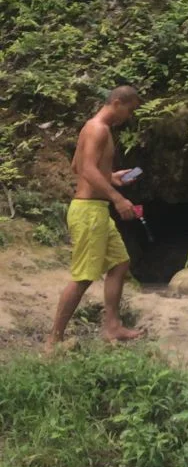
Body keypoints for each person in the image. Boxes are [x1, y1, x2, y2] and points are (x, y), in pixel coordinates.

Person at [48, 85, 145, 350]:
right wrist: (117, 197)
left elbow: (77, 166)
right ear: (116, 102)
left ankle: (112, 326)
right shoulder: (98, 129)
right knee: (83, 276)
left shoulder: (98, 129)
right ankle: (53, 340)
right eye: (130, 109)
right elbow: (86, 170)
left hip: (96, 210)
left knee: (119, 263)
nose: (129, 115)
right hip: (89, 211)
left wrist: (111, 178)